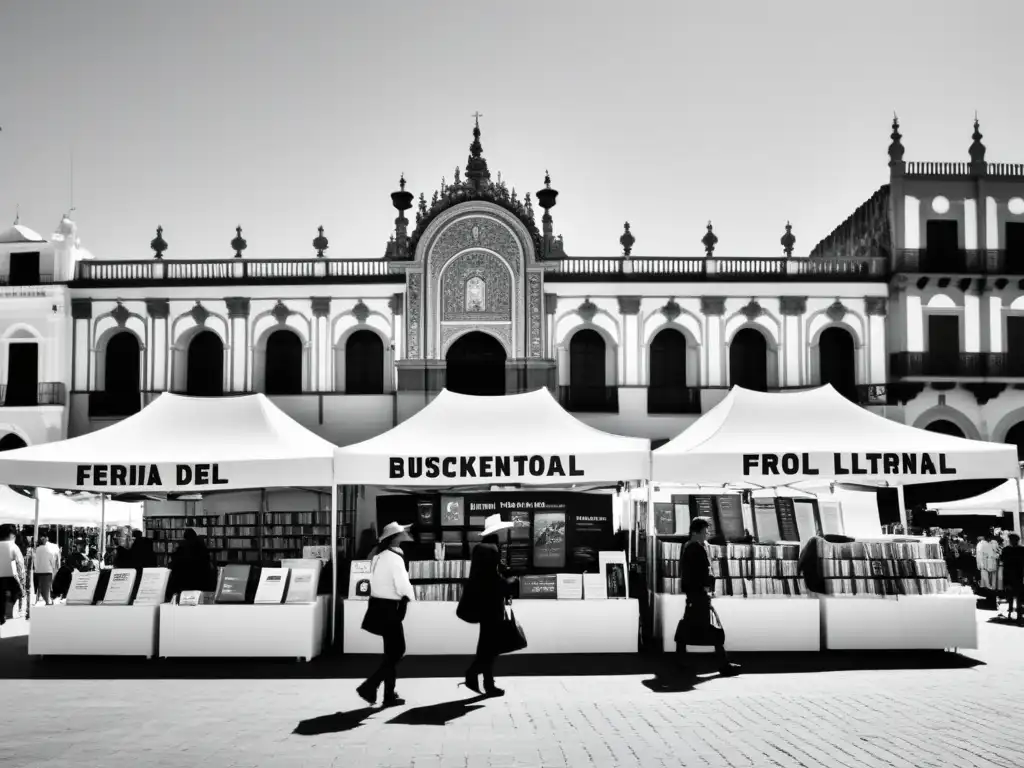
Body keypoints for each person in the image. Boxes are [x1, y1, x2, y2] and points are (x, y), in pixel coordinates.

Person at [456, 514, 517, 697]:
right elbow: (492, 580)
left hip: (483, 604)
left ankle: (487, 683)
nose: (505, 533)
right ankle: (473, 674)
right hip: (491, 605)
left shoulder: (480, 548)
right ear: (496, 532)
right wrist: (510, 582)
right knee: (491, 647)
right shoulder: (490, 549)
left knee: (486, 645)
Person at [356, 522, 415, 707]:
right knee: (398, 651)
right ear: (395, 538)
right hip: (391, 608)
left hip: (378, 606)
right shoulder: (395, 558)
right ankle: (370, 685)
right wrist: (409, 597)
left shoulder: (379, 556)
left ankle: (388, 694)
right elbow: (402, 584)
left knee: (390, 653)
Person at [676, 517, 740, 677]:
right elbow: (702, 572)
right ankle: (723, 665)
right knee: (712, 630)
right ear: (695, 532)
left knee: (689, 628)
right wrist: (708, 586)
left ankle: (680, 662)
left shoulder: (689, 547)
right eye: (705, 532)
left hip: (694, 595)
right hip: (699, 595)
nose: (707, 534)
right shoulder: (696, 549)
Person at [169, 528, 214, 595]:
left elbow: (175, 563)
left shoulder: (182, 546)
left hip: (184, 581)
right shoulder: (201, 545)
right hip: (201, 580)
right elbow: (207, 560)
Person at [0, 525, 26, 625]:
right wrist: (22, 580)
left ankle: (2, 615)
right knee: (14, 594)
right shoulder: (13, 546)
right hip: (8, 577)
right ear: (11, 535)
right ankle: (7, 615)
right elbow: (20, 564)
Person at [32, 531, 61, 606]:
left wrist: (36, 568)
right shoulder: (50, 549)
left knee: (40, 587)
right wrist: (54, 568)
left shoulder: (35, 550)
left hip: (38, 571)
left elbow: (34, 560)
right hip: (47, 570)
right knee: (47, 588)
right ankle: (48, 601)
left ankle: (40, 600)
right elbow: (53, 561)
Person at [1000, 533, 1023, 624]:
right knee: (1018, 594)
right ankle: (1019, 614)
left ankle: (1010, 612)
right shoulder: (1021, 549)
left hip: (1009, 574)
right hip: (1018, 574)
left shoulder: (1006, 549)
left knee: (1010, 594)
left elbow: (1002, 559)